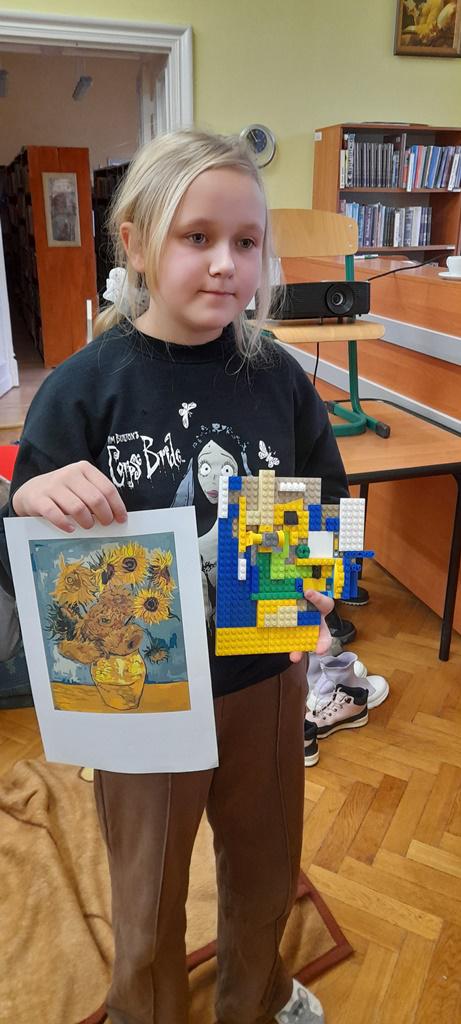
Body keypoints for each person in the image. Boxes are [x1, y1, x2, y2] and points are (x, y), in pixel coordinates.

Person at [5, 129, 350, 1024]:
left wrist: (319, 577)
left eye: (246, 241)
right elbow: (20, 562)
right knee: (147, 895)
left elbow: (323, 494)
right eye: (197, 237)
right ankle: (143, 1012)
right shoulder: (84, 388)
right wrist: (29, 497)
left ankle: (256, 996)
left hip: (264, 673)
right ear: (136, 242)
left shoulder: (277, 378)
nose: (226, 263)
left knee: (266, 869)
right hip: (140, 693)